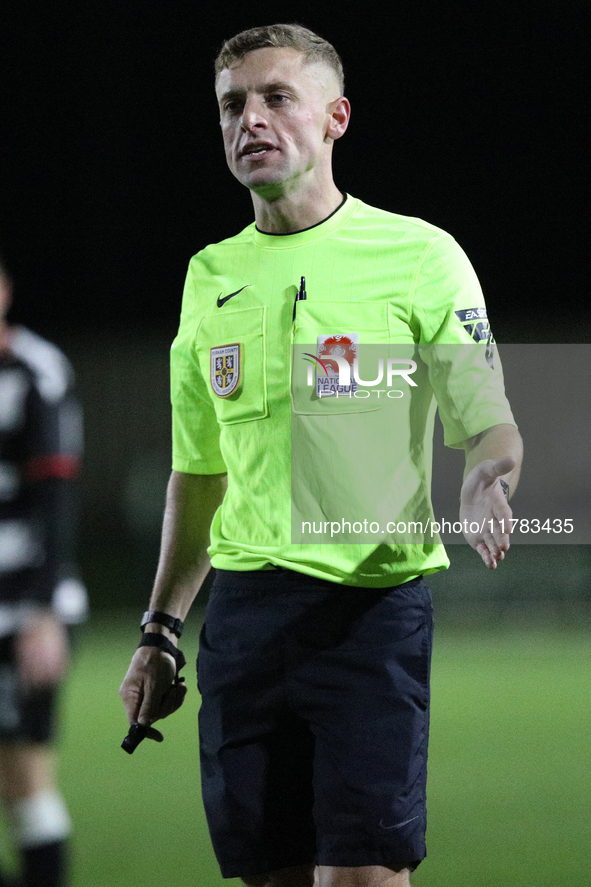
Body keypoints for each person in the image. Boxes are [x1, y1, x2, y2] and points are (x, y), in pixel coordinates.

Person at [120, 23, 523, 887]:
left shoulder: (419, 255)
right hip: (243, 622)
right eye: (232, 104)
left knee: (362, 879)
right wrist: (160, 632)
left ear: (335, 117)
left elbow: (485, 417)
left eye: (276, 98)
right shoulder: (208, 274)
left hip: (366, 613)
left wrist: (491, 470)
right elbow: (197, 473)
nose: (250, 121)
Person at [0, 258, 87, 887]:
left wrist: (43, 612)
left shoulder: (34, 372)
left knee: (25, 775)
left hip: (22, 610)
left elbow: (57, 500)